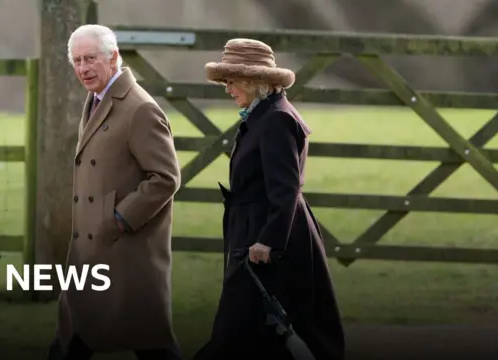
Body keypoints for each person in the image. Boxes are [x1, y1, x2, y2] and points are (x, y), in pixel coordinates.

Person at [193, 38, 346, 360]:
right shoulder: (262, 114)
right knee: (259, 332)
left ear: (253, 80)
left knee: (237, 330)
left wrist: (268, 242)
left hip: (265, 238)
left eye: (231, 80)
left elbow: (286, 187)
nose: (227, 88)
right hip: (255, 231)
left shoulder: (276, 119)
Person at [46, 24, 183, 360]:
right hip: (92, 250)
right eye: (77, 61)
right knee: (73, 336)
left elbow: (166, 177)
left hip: (125, 251)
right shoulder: (96, 99)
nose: (83, 68)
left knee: (150, 342)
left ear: (113, 57)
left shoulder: (140, 108)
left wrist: (120, 218)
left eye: (90, 58)